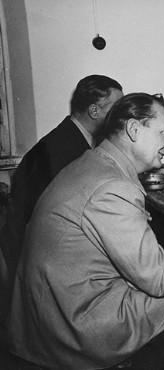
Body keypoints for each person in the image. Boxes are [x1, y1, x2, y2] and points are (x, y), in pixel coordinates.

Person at [8, 93, 164, 369]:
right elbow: (159, 278)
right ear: (134, 129)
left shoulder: (92, 163)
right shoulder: (113, 187)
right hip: (76, 328)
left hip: (54, 311)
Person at [0, 75, 124, 286]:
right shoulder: (65, 149)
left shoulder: (71, 137)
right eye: (116, 109)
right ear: (94, 111)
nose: (120, 118)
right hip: (37, 257)